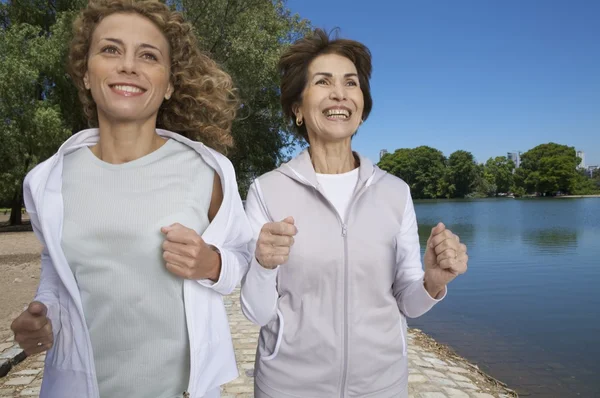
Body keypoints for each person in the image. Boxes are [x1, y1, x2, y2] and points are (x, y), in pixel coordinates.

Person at [9, 1, 251, 397]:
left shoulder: (208, 171)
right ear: (86, 74)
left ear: (169, 83)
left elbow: (241, 256)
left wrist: (213, 263)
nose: (128, 65)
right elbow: (57, 272)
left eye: (149, 55)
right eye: (110, 50)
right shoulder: (46, 181)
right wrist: (43, 315)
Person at [240, 29, 469, 398]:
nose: (340, 93)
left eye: (351, 83)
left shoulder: (395, 192)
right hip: (289, 386)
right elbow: (256, 312)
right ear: (297, 108)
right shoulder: (267, 190)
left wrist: (433, 282)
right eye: (323, 82)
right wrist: (264, 265)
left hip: (381, 385)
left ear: (361, 107)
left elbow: (407, 302)